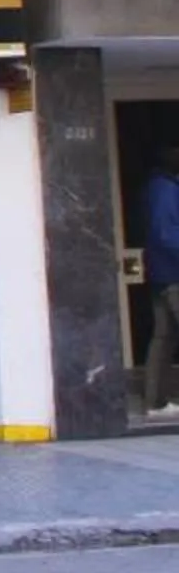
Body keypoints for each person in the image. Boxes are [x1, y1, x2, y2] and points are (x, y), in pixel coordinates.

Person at [144, 149, 179, 416]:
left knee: (163, 338)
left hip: (161, 275)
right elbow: (166, 234)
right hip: (173, 275)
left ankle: (156, 402)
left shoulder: (156, 188)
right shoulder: (166, 190)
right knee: (163, 338)